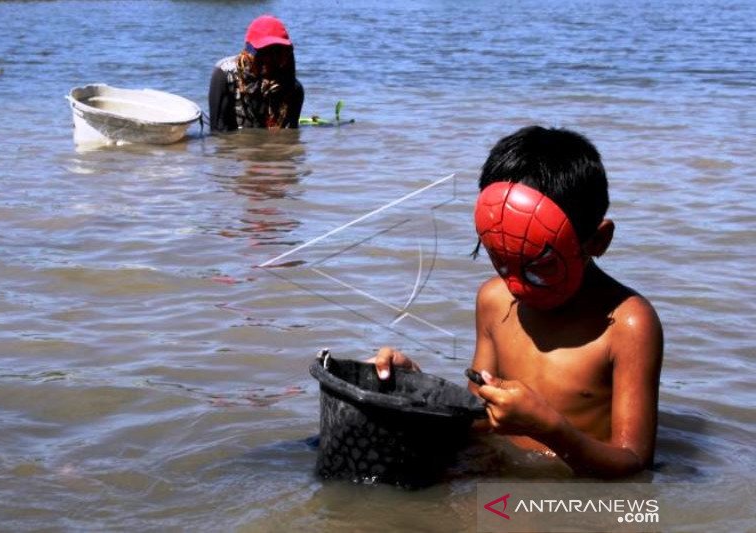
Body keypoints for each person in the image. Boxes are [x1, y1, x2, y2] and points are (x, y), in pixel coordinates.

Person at [371, 126, 664, 478]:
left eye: (539, 267)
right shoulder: (494, 299)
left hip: (569, 494)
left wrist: (550, 429)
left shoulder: (627, 325)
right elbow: (477, 417)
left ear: (597, 240)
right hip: (497, 472)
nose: (517, 283)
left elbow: (634, 465)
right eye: (500, 259)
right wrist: (417, 388)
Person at [208, 15, 304, 132]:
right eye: (264, 52)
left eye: (278, 52)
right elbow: (218, 133)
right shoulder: (224, 74)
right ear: (249, 53)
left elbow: (288, 138)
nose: (271, 59)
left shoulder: (294, 90)